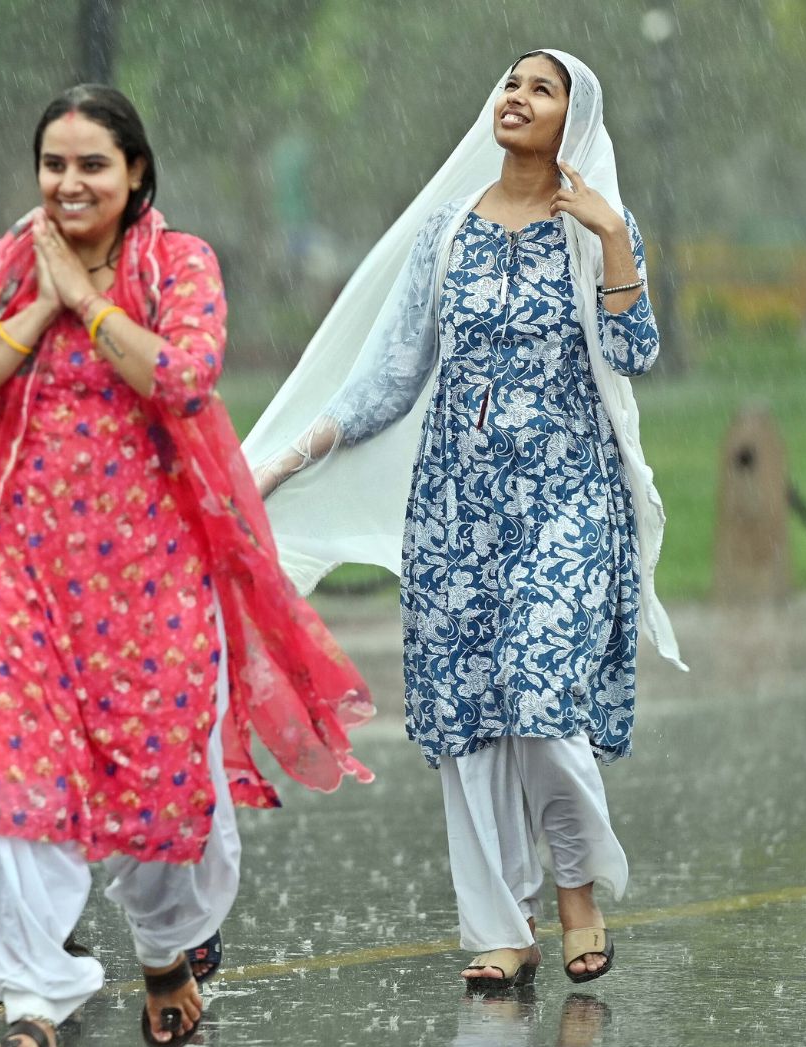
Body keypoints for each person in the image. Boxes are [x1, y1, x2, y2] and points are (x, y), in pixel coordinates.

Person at [0, 85, 372, 1047]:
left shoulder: (178, 262)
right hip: (16, 571)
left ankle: (168, 947)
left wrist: (88, 302)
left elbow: (184, 376)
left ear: (134, 174)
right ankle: (32, 999)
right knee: (9, 780)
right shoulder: (6, 263)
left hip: (151, 575)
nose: (69, 183)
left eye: (92, 165)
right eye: (54, 164)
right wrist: (41, 305)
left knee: (168, 784)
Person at [247, 50, 681, 991]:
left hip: (568, 495)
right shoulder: (446, 233)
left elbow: (633, 352)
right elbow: (393, 377)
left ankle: (576, 885)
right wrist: (289, 455)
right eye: (510, 84)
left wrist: (610, 237)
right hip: (455, 507)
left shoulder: (598, 230)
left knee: (539, 692)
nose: (516, 98)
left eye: (542, 88)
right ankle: (500, 925)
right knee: (470, 717)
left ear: (577, 119)